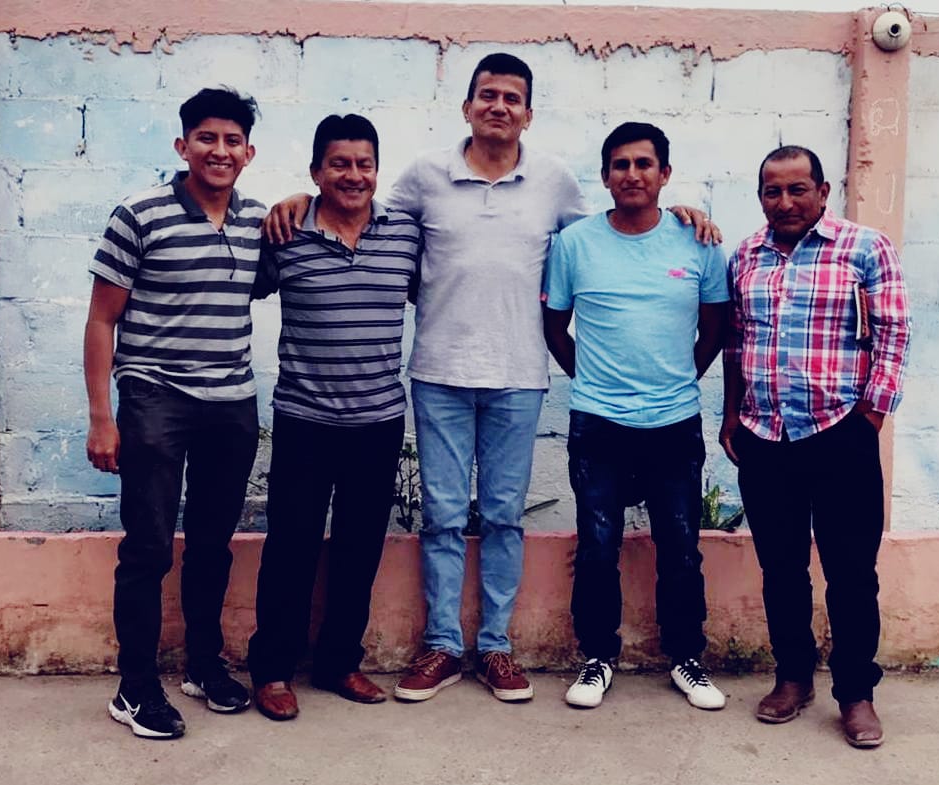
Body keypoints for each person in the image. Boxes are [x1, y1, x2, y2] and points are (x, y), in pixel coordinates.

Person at [264, 53, 718, 704]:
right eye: (487, 95)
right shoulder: (425, 177)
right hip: (439, 372)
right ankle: (443, 645)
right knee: (443, 517)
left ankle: (497, 647)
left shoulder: (553, 182)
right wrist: (301, 199)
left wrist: (682, 215)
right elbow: (361, 210)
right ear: (467, 106)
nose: (498, 106)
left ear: (528, 114)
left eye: (511, 97)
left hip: (518, 375)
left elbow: (610, 233)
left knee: (504, 518)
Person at [84, 87, 265, 739]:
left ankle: (203, 666)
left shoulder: (257, 221)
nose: (220, 150)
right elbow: (102, 319)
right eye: (207, 138)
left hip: (231, 401)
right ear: (183, 145)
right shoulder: (139, 214)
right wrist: (102, 417)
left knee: (213, 544)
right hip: (154, 396)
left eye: (232, 140)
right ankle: (134, 688)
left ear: (248, 152)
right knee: (150, 545)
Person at [719, 145, 911, 748]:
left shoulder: (864, 248)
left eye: (797, 189)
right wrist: (731, 415)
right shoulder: (746, 255)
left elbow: (894, 332)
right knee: (781, 570)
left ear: (823, 192)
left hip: (840, 434)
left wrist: (870, 416)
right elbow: (735, 341)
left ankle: (855, 693)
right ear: (760, 197)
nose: (785, 202)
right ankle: (793, 677)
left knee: (851, 573)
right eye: (772, 191)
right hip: (765, 437)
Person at [543, 122, 728, 711]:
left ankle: (687, 658)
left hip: (674, 422)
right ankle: (597, 657)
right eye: (620, 165)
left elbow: (716, 326)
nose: (632, 174)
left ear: (664, 174)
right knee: (599, 545)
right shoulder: (575, 244)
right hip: (598, 422)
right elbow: (554, 326)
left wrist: (679, 379)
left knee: (681, 546)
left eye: (644, 164)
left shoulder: (697, 242)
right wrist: (592, 381)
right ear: (605, 177)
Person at [246, 114, 421, 721]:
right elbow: (239, 286)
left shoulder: (405, 235)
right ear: (316, 171)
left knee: (359, 549)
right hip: (305, 419)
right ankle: (271, 670)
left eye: (364, 164)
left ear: (377, 170)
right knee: (290, 548)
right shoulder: (285, 233)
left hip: (378, 421)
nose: (353, 175)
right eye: (339, 164)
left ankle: (339, 662)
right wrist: (288, 204)